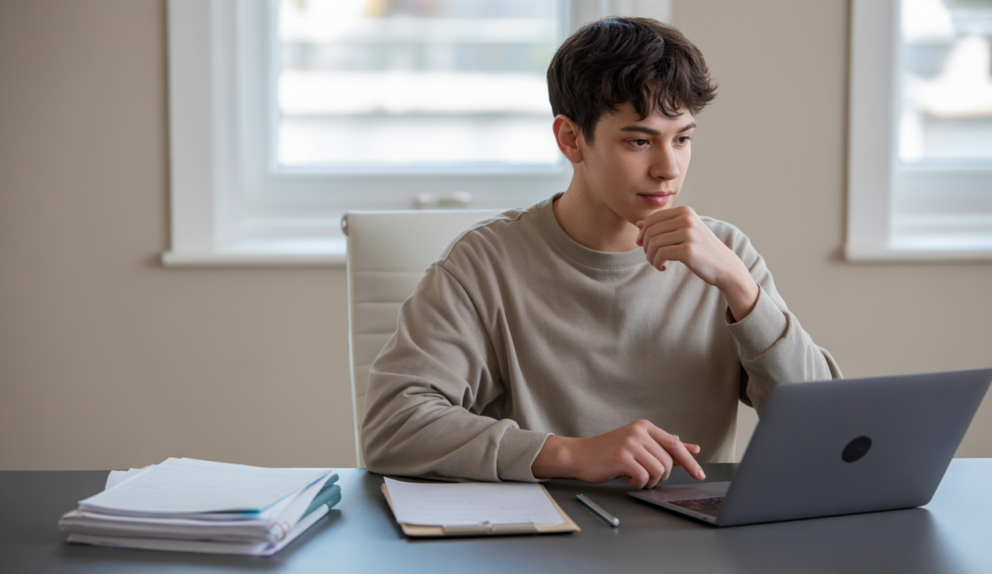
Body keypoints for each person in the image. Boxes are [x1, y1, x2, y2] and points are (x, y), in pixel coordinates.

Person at [360, 16, 840, 489]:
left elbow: (828, 429)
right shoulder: (484, 263)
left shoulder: (726, 254)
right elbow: (393, 426)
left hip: (693, 545)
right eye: (638, 140)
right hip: (544, 540)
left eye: (683, 139)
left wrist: (743, 289)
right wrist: (570, 452)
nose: (668, 169)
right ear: (571, 139)